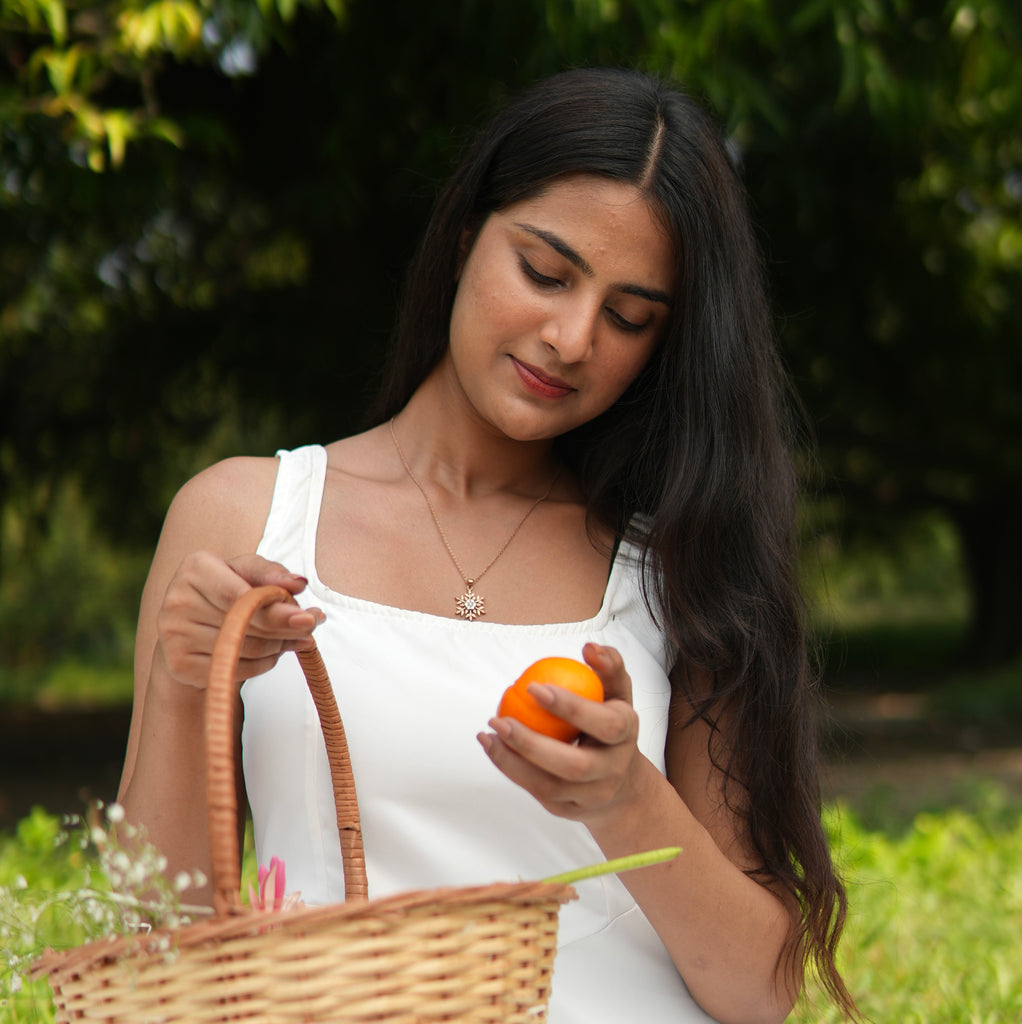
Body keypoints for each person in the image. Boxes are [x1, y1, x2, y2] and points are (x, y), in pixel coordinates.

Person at [118, 66, 856, 1024]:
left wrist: (627, 795)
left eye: (629, 317)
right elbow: (147, 948)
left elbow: (762, 992)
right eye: (545, 273)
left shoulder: (677, 567)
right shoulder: (244, 517)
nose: (572, 337)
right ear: (465, 234)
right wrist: (185, 685)